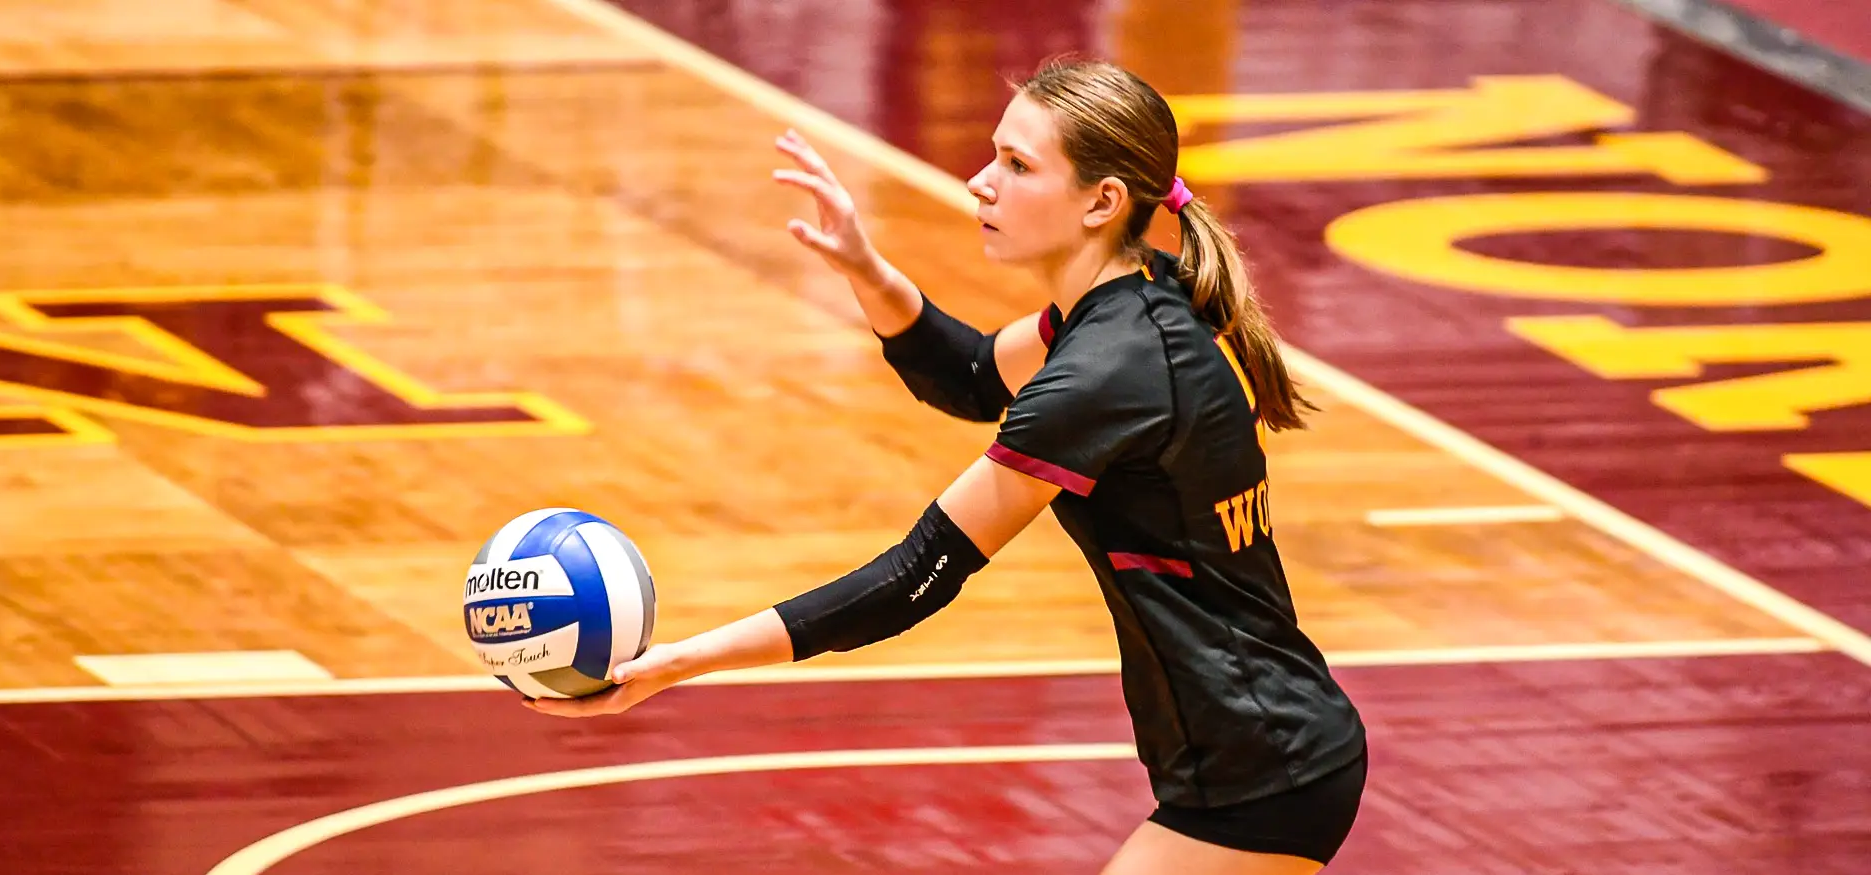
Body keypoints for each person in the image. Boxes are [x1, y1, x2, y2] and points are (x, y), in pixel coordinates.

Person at [527, 57, 1369, 874]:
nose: (980, 181)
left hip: (1264, 772)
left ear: (1101, 201)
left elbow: (916, 574)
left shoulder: (1107, 369)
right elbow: (969, 376)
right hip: (1261, 753)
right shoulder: (1130, 302)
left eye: (1016, 164)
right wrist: (864, 267)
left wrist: (677, 663)